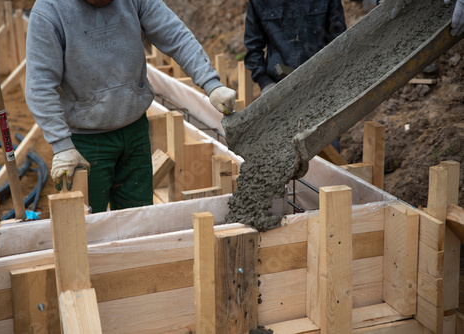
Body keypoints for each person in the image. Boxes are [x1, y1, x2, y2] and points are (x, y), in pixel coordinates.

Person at [25, 0, 236, 213]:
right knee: (85, 226)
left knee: (138, 218)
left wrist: (211, 83)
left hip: (135, 133)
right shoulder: (49, 11)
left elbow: (175, 34)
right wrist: (62, 145)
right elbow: (40, 85)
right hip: (85, 142)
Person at [244, 0, 346, 152]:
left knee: (327, 155)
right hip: (279, 91)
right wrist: (266, 84)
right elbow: (253, 47)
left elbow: (340, 39)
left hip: (321, 88)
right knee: (283, 155)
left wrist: (330, 81)